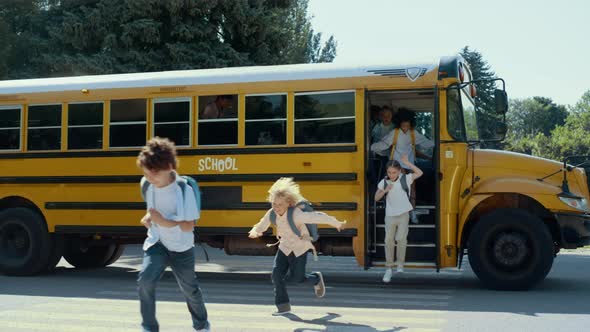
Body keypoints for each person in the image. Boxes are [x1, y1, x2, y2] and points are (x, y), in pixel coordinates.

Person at [136, 137, 210, 332]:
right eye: (146, 173)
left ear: (169, 167)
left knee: (190, 290)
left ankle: (202, 324)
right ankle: (149, 327)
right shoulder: (146, 184)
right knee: (145, 280)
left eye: (154, 173)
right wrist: (149, 218)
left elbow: (188, 226)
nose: (150, 178)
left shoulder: (184, 189)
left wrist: (163, 221)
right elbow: (154, 208)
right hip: (157, 243)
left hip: (181, 248)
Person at [248, 177, 346, 316]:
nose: (276, 207)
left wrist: (336, 223)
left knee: (297, 279)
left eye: (279, 204)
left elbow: (316, 217)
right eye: (273, 203)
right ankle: (283, 307)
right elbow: (262, 224)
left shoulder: (296, 214)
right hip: (284, 247)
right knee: (276, 276)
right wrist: (255, 231)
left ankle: (316, 279)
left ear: (288, 203)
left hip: (300, 248)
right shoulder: (272, 213)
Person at [370, 108, 434, 222]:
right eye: (403, 125)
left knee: (412, 188)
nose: (405, 128)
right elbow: (383, 144)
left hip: (409, 164)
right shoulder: (394, 133)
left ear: (411, 124)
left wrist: (440, 142)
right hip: (397, 165)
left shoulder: (413, 133)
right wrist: (370, 147)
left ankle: (412, 212)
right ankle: (401, 213)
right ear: (399, 124)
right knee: (403, 188)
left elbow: (426, 143)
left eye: (407, 126)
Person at [374, 155, 423, 283]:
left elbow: (420, 173)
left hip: (403, 214)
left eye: (394, 172)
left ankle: (400, 264)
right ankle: (389, 268)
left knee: (400, 238)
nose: (391, 175)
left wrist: (407, 163)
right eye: (389, 172)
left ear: (399, 171)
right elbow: (376, 198)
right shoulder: (384, 182)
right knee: (388, 240)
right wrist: (385, 190)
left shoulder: (405, 179)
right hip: (390, 215)